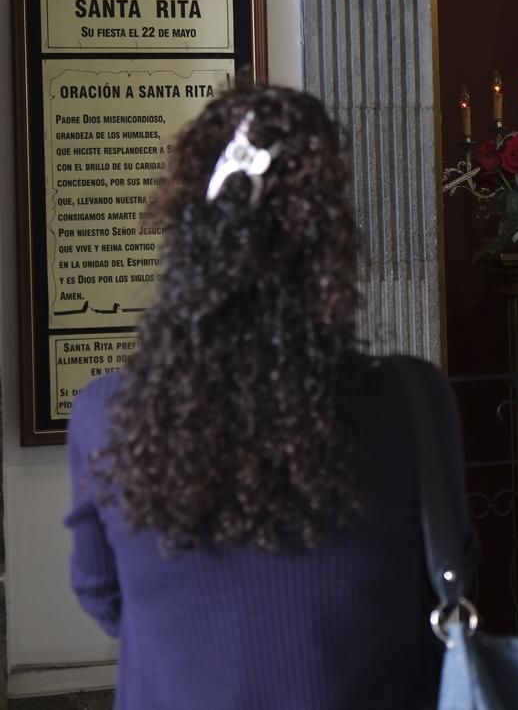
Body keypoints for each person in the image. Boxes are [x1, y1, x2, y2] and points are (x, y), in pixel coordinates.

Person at [65, 84, 475, 710]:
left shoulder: (104, 415)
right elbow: (449, 572)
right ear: (329, 245)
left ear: (191, 238)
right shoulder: (411, 402)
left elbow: (103, 594)